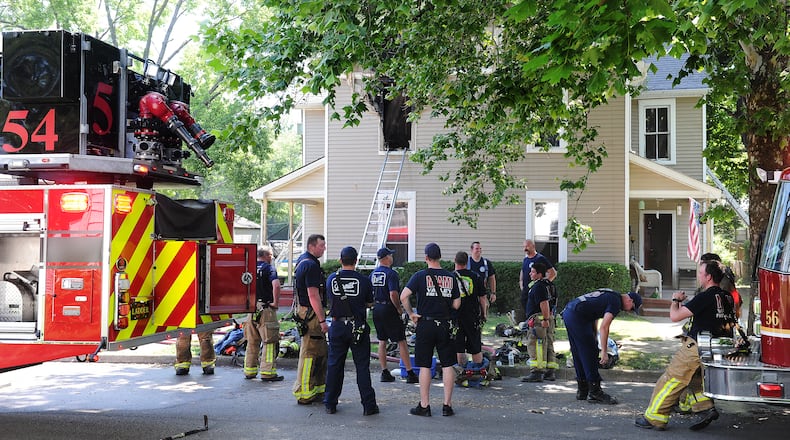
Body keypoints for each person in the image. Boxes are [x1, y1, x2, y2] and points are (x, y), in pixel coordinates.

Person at [635, 260, 730, 431]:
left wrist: (675, 300)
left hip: (695, 347)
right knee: (695, 380)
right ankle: (705, 408)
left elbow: (675, 316)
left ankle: (654, 417)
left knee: (671, 379)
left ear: (708, 277)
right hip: (715, 348)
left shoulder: (705, 297)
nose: (698, 275)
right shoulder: (726, 297)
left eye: (700, 273)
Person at [401, 243, 461, 417]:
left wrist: (412, 313)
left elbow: (404, 295)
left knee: (425, 364)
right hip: (445, 324)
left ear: (426, 257)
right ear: (440, 257)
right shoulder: (451, 277)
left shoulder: (419, 276)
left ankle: (425, 405)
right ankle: (447, 406)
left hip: (425, 324)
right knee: (448, 364)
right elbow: (457, 304)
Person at [561, 288, 642, 404]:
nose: (629, 311)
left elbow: (593, 314)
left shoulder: (610, 295)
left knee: (578, 351)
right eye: (632, 308)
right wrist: (604, 352)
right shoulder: (616, 302)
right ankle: (595, 392)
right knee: (590, 352)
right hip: (578, 315)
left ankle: (582, 389)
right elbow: (604, 327)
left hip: (570, 312)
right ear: (630, 300)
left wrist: (593, 335)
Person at [323, 246, 379, 415]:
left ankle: (330, 403)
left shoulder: (331, 279)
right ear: (356, 261)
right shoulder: (364, 280)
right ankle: (369, 406)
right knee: (362, 366)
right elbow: (370, 303)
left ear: (341, 260)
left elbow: (329, 301)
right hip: (358, 328)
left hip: (337, 326)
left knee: (334, 365)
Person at [371, 247, 419, 384]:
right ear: (386, 258)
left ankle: (384, 372)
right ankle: (410, 373)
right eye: (390, 255)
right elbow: (393, 293)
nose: (392, 257)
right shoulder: (391, 274)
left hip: (377, 308)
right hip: (388, 308)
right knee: (401, 340)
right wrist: (399, 308)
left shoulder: (373, 274)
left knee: (382, 340)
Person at [292, 234, 328, 405]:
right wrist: (322, 320)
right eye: (321, 245)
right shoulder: (311, 265)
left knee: (320, 351)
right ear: (312, 246)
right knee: (310, 353)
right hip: (311, 315)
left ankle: (318, 389)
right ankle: (304, 392)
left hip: (305, 312)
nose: (324, 248)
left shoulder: (303, 261)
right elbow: (313, 295)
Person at [243, 246, 284, 381]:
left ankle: (249, 370)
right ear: (267, 255)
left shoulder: (249, 268)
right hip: (266, 308)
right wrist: (275, 304)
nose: (272, 258)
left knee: (252, 340)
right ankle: (267, 372)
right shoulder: (269, 268)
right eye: (271, 255)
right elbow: (276, 285)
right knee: (270, 341)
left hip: (251, 309)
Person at [520, 262, 558, 382]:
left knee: (536, 344)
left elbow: (544, 303)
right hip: (548, 318)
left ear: (539, 274)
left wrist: (545, 319)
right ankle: (549, 371)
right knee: (548, 343)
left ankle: (537, 371)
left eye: (533, 272)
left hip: (539, 320)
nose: (530, 273)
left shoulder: (539, 287)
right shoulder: (550, 285)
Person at [453, 251, 487, 368]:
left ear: (455, 261)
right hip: (472, 316)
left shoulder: (450, 277)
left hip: (456, 317)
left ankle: (461, 372)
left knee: (459, 346)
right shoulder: (476, 276)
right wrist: (484, 314)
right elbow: (482, 298)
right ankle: (477, 371)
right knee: (475, 346)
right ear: (467, 262)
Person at [519, 239, 557, 321]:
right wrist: (521, 284)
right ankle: (529, 327)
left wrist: (543, 284)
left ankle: (540, 326)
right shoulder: (525, 260)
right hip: (526, 291)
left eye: (527, 246)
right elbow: (523, 272)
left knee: (536, 312)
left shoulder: (540, 258)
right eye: (524, 246)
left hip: (536, 292)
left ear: (533, 246)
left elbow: (553, 273)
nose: (525, 248)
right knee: (528, 312)